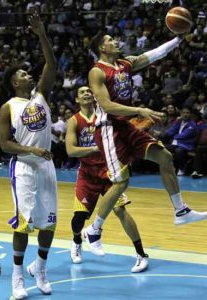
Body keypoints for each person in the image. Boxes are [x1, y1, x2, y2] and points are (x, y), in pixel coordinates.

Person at [83, 32, 207, 255]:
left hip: (126, 126)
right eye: (111, 40)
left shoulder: (124, 64)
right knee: (121, 183)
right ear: (102, 47)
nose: (116, 41)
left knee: (165, 157)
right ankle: (93, 229)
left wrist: (177, 40)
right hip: (109, 130)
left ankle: (181, 210)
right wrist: (140, 110)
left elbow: (153, 55)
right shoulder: (97, 71)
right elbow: (107, 105)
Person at [0, 14, 57, 299]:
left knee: (49, 223)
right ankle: (17, 279)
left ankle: (41, 270)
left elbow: (52, 65)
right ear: (14, 82)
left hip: (46, 165)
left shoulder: (41, 95)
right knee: (24, 224)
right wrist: (30, 149)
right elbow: (5, 145)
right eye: (21, 74)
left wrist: (42, 35)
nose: (27, 74)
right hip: (23, 166)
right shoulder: (8, 107)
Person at [66, 86, 148, 272]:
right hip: (87, 174)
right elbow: (70, 150)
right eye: (82, 92)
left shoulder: (105, 116)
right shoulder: (74, 121)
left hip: (109, 172)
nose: (86, 93)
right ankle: (77, 240)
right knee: (79, 217)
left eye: (89, 91)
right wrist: (97, 148)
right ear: (77, 100)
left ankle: (141, 254)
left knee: (121, 211)